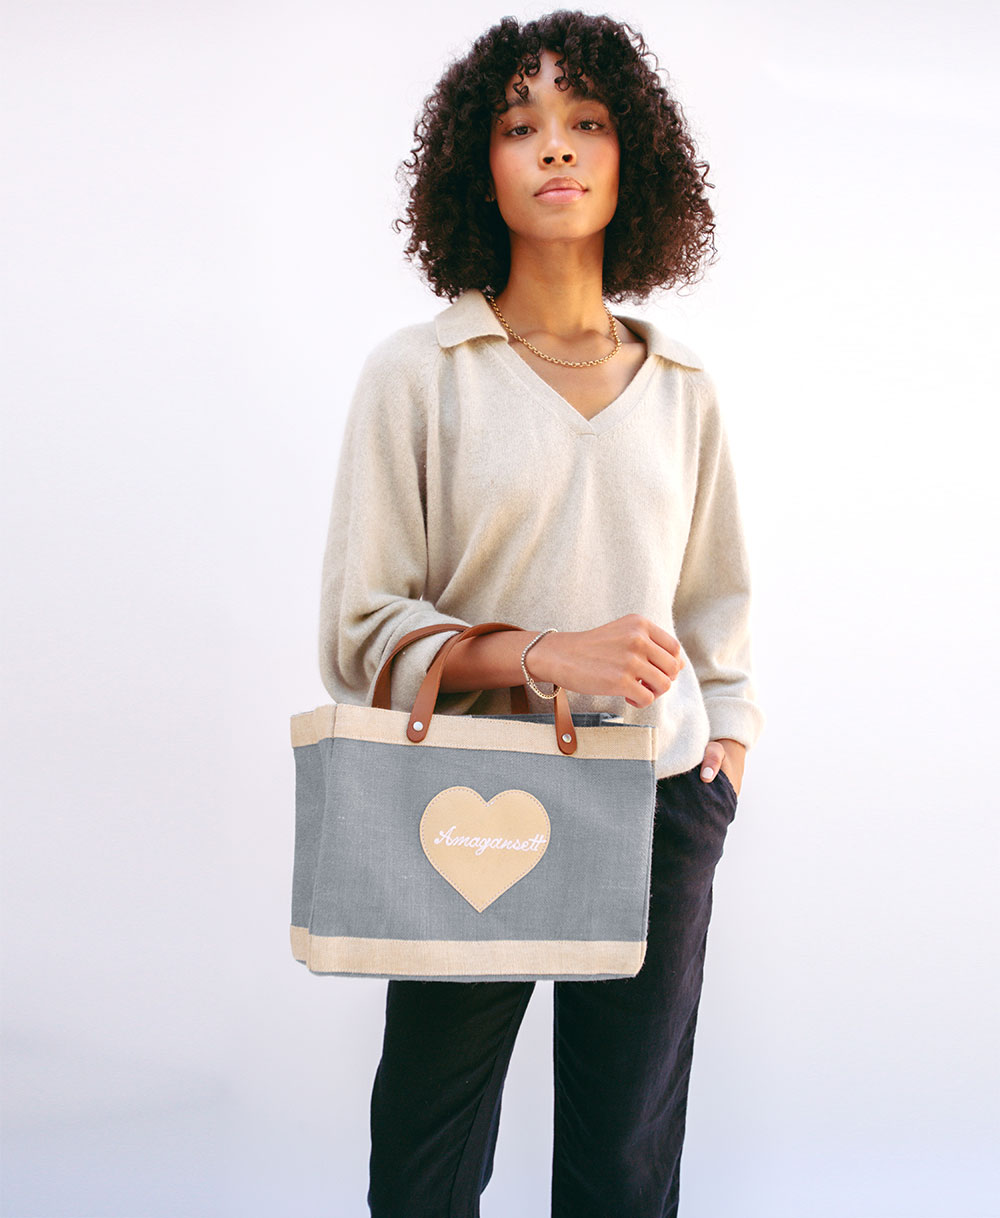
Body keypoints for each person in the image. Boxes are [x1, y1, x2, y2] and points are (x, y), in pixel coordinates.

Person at [316, 11, 765, 1216]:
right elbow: (360, 627)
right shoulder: (419, 373)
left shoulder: (682, 387)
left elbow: (719, 601)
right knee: (426, 1150)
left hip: (657, 801)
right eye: (521, 128)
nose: (555, 150)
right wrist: (541, 657)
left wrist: (723, 746)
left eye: (586, 124)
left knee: (625, 1158)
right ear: (482, 163)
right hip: (474, 797)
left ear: (635, 161)